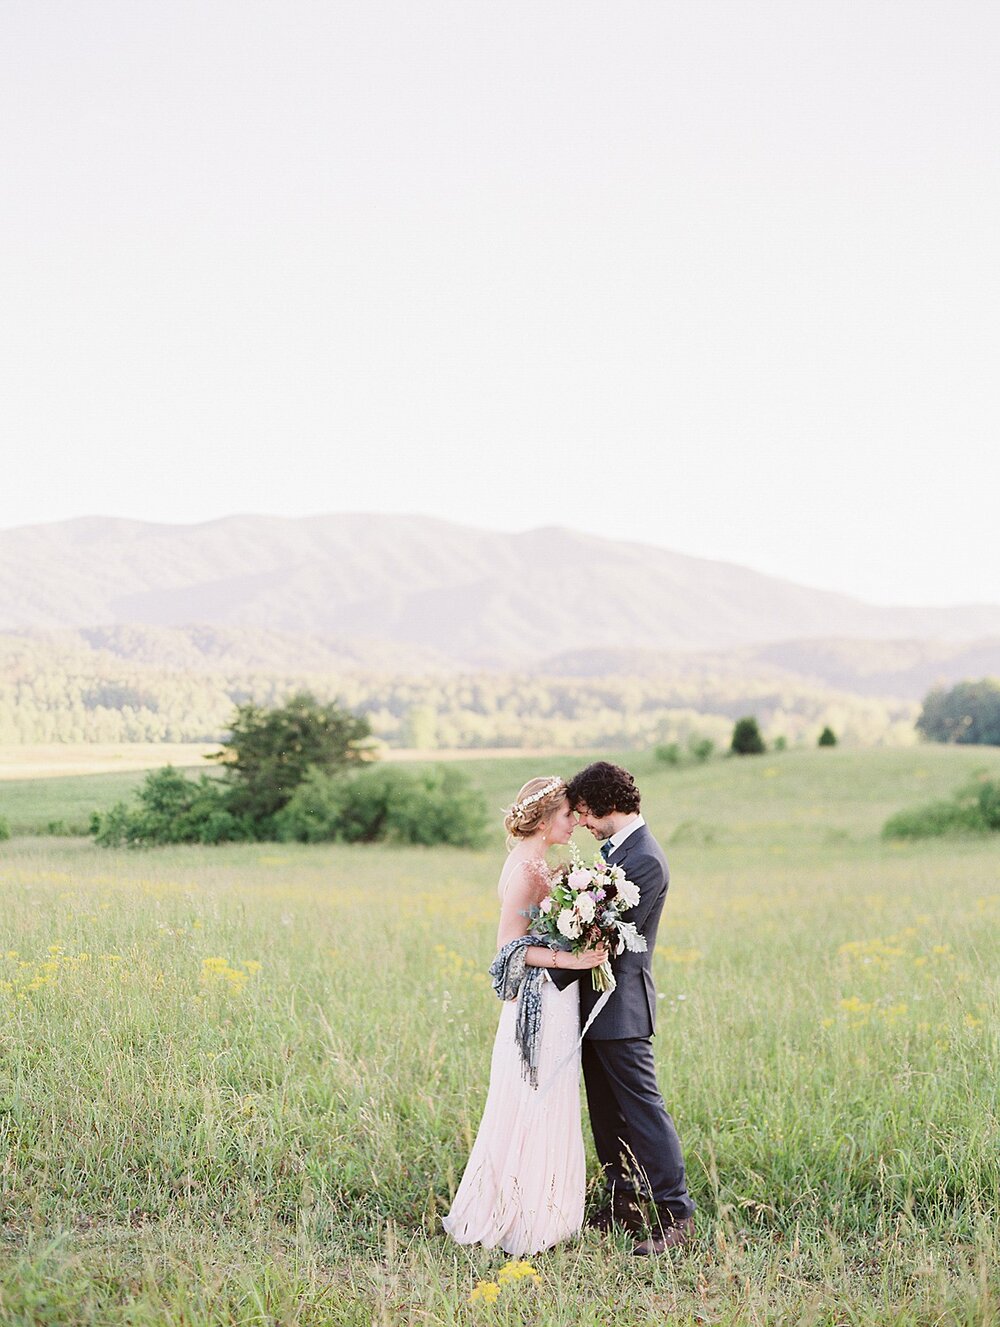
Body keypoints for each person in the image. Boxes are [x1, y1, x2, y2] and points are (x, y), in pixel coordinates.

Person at [442, 777, 607, 1257]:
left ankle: (543, 1207)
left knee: (544, 1093)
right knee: (537, 1094)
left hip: (553, 998)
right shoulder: (529, 872)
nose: (574, 822)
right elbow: (507, 949)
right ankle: (524, 1215)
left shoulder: (538, 865)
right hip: (540, 1001)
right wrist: (571, 960)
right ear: (542, 820)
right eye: (566, 815)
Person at [553, 760, 696, 1254]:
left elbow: (605, 935)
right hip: (592, 1003)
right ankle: (624, 1204)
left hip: (622, 1006)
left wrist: (544, 956)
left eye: (585, 813)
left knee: (642, 1110)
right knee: (607, 1114)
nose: (582, 824)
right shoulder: (616, 852)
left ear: (606, 805)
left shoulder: (645, 860)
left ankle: (678, 1215)